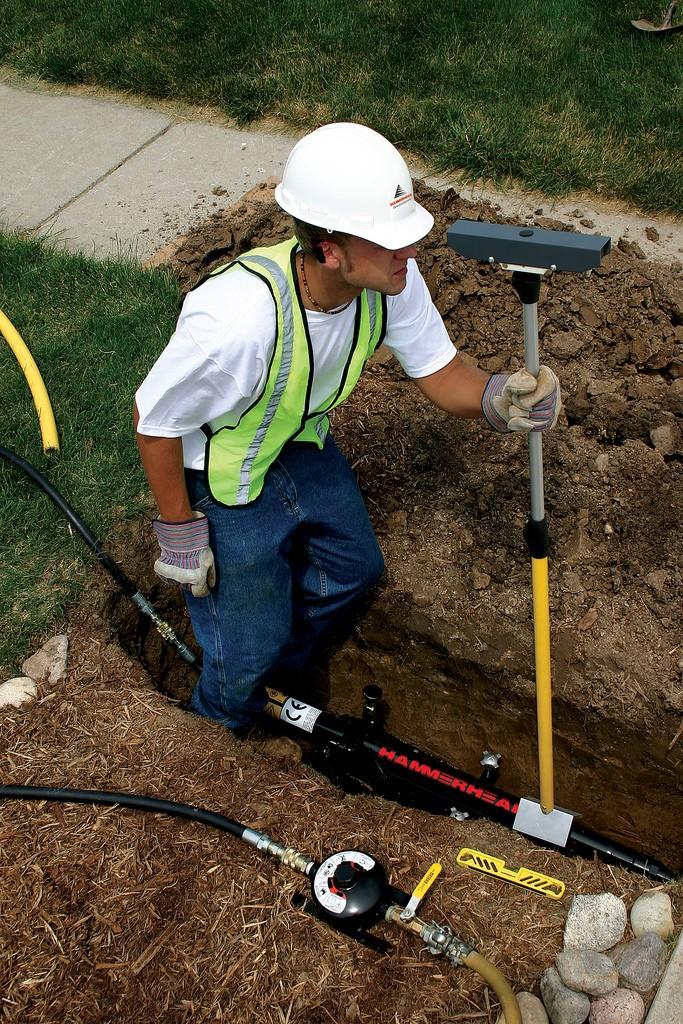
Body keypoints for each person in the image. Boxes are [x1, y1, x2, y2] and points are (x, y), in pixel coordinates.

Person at [134, 122, 560, 733]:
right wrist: (178, 528)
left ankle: (280, 683)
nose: (410, 254)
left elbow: (441, 373)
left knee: (353, 571)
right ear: (330, 249)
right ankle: (218, 725)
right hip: (221, 473)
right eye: (390, 243)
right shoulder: (235, 325)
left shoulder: (389, 281)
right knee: (246, 647)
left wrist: (498, 399)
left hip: (297, 445)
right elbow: (152, 419)